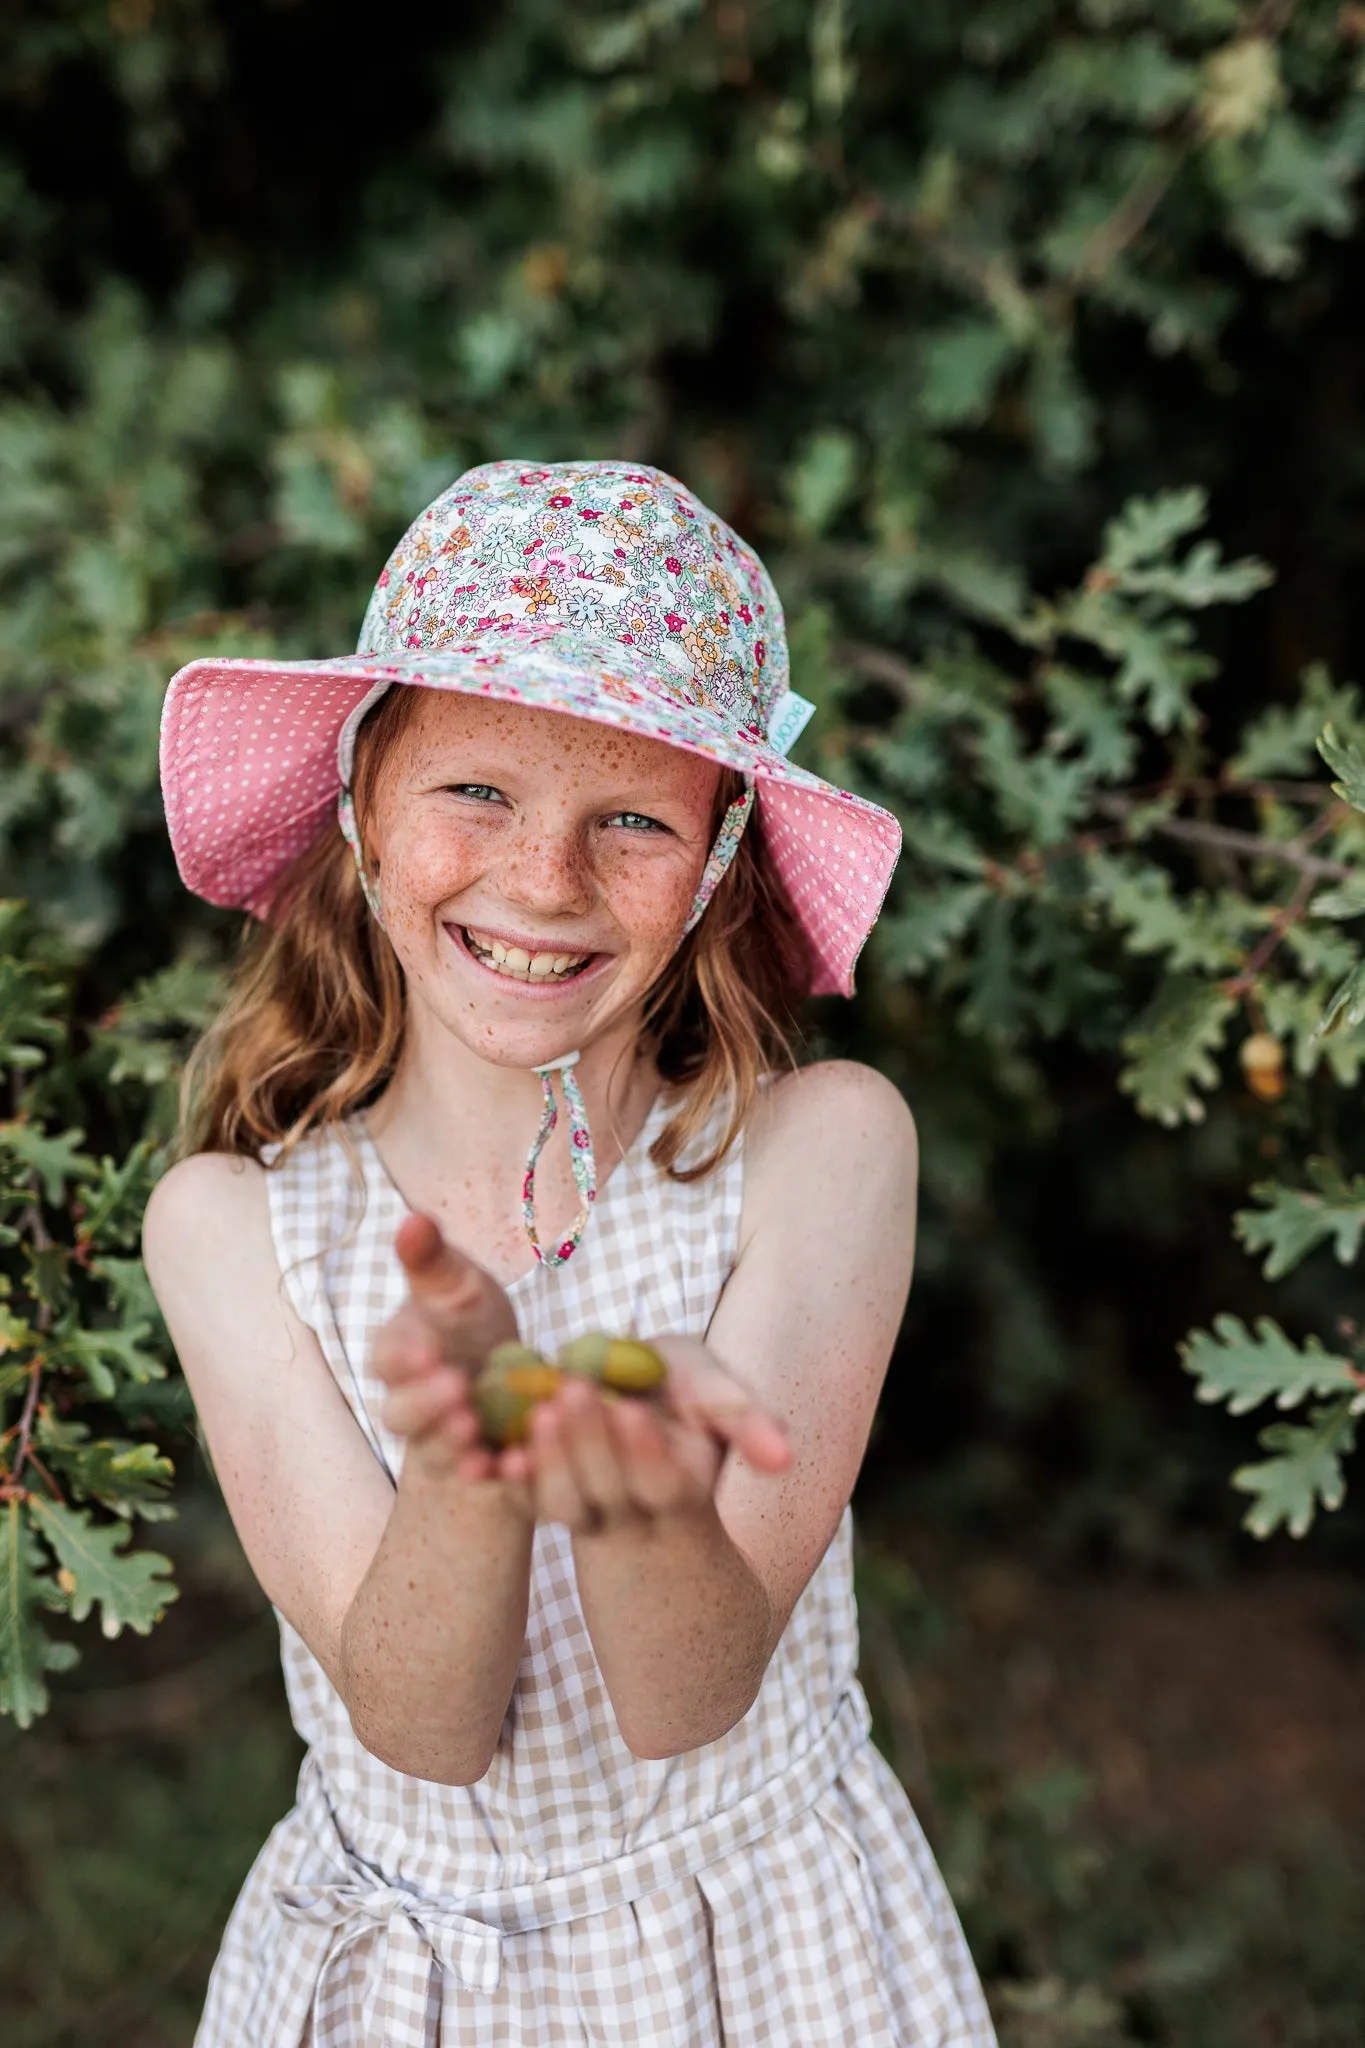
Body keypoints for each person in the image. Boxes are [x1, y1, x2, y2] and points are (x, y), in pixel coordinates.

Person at [143, 458, 996, 2047]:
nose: (545, 882)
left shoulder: (817, 1154)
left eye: (632, 820)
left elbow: (689, 1698)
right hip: (414, 1983)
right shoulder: (235, 1230)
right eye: (476, 792)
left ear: (722, 855)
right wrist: (479, 1445)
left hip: (761, 1952)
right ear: (360, 805)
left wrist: (633, 1472)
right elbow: (420, 1724)